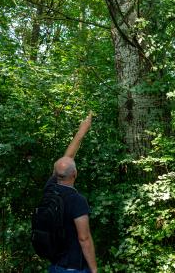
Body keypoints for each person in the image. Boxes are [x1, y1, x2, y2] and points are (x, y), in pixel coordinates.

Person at [44, 112, 97, 273]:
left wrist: (82, 131)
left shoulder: (49, 189)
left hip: (55, 265)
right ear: (75, 174)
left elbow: (67, 158)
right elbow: (84, 238)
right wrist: (94, 270)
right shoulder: (77, 200)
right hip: (74, 268)